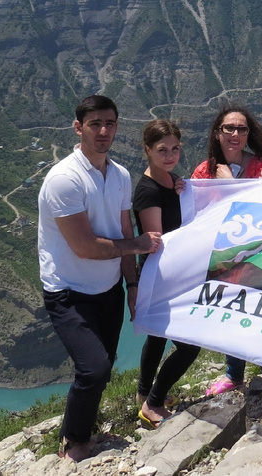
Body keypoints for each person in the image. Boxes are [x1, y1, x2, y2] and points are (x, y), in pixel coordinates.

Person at [37, 95, 162, 462]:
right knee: (94, 369)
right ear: (78, 128)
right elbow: (85, 247)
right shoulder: (64, 180)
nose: (103, 131)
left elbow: (122, 230)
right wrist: (139, 244)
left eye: (110, 123)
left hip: (108, 288)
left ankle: (80, 429)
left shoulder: (119, 175)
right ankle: (73, 445)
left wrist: (132, 285)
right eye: (95, 124)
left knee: (101, 371)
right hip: (69, 290)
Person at [193, 105, 262, 413]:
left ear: (249, 134)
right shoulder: (203, 172)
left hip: (257, 255)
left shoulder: (259, 167)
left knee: (261, 318)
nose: (235, 134)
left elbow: (260, 210)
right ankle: (234, 374)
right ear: (217, 133)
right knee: (229, 316)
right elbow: (198, 213)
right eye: (229, 128)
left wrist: (228, 184)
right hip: (221, 257)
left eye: (242, 129)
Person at [134, 119, 200, 428]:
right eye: (162, 150)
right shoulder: (148, 191)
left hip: (170, 273)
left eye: (175, 148)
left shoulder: (172, 181)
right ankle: (154, 402)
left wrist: (185, 193)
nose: (170, 155)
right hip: (162, 276)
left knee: (157, 336)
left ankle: (143, 392)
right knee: (190, 345)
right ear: (147, 150)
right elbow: (157, 241)